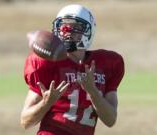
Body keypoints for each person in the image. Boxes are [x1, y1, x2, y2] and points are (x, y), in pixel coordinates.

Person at [20, 4, 125, 135]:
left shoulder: (106, 64)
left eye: (76, 28)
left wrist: (93, 91)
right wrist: (46, 102)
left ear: (89, 31)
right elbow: (25, 121)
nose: (67, 31)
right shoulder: (46, 64)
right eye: (63, 27)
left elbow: (110, 120)